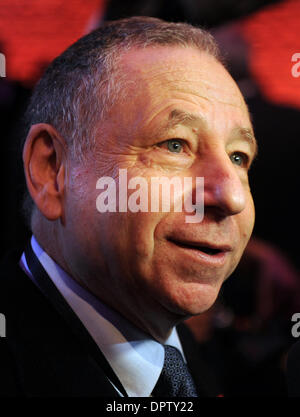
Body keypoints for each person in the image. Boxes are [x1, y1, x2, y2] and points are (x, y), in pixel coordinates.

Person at [0, 16, 257, 397]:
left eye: (238, 157)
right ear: (52, 171)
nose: (231, 197)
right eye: (174, 144)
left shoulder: (211, 363)